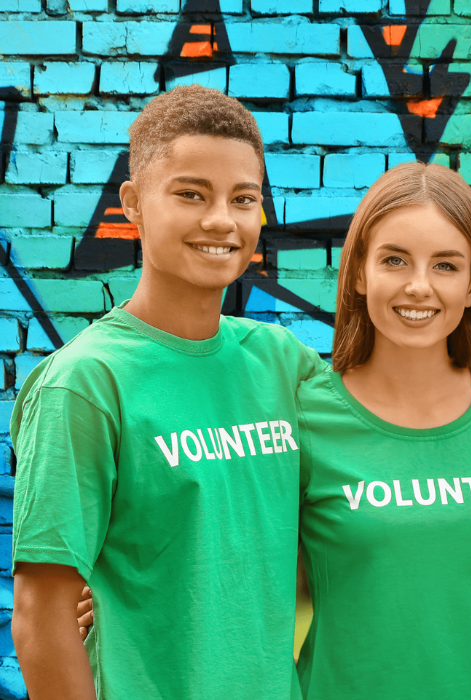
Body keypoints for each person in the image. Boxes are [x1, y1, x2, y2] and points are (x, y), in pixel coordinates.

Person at [11, 85, 325, 700]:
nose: (221, 221)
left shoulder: (283, 363)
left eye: (244, 199)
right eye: (190, 194)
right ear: (132, 203)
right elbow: (41, 615)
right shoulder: (85, 384)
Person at [294, 162, 471, 700]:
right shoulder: (305, 414)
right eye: (395, 260)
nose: (419, 286)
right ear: (359, 272)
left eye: (446, 266)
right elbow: (241, 556)